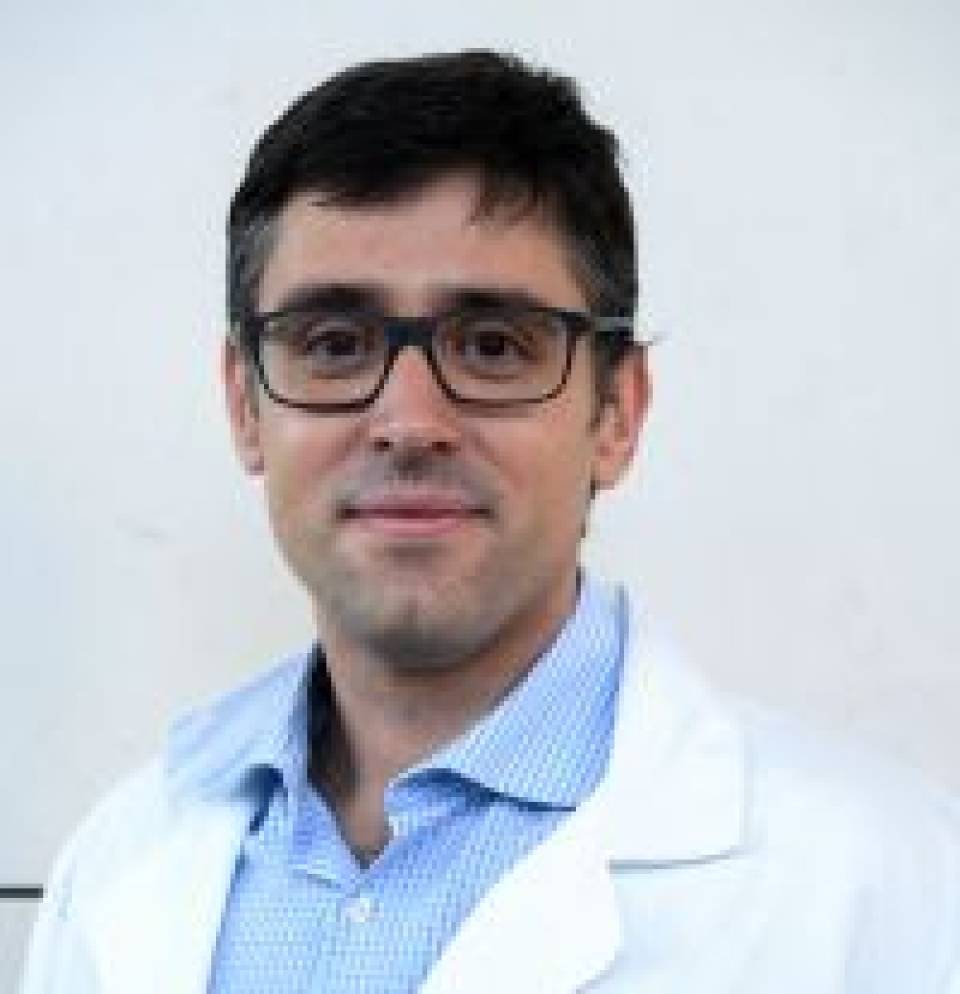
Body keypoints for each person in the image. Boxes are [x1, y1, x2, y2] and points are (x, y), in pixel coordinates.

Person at [20, 50, 960, 994]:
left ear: (617, 413)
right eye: (335, 344)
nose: (409, 422)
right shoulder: (117, 871)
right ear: (244, 404)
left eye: (494, 345)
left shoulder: (887, 891)